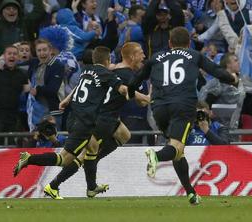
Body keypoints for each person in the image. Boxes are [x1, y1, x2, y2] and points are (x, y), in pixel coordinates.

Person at [128, 27, 238, 205]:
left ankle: (190, 193)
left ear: (170, 43)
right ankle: (155, 156)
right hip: (183, 105)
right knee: (176, 147)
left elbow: (135, 79)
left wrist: (131, 94)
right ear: (189, 43)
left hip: (159, 107)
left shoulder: (156, 57)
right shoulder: (194, 55)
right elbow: (217, 71)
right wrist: (233, 79)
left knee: (177, 150)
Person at [13, 46, 129, 199]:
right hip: (84, 122)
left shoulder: (86, 71)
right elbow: (121, 89)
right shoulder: (107, 74)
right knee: (64, 159)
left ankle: (91, 188)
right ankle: (29, 159)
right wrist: (127, 91)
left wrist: (66, 100)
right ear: (108, 60)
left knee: (92, 148)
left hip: (73, 117)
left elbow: (77, 89)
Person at [47, 42, 150, 199]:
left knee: (124, 135)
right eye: (141, 53)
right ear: (132, 56)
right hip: (102, 118)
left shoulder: (111, 68)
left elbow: (87, 81)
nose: (144, 57)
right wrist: (152, 95)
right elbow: (141, 101)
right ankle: (54, 185)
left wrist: (67, 99)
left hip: (106, 114)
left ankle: (91, 162)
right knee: (83, 156)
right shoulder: (130, 77)